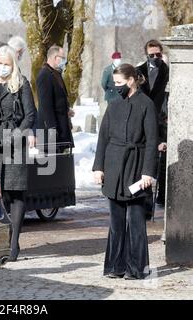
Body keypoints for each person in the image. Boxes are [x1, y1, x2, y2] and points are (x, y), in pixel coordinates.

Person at [92, 63, 159, 280]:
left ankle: (136, 268)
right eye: (114, 83)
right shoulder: (113, 105)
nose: (116, 86)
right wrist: (98, 167)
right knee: (116, 220)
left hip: (137, 166)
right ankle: (114, 267)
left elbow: (151, 141)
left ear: (131, 80)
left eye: (119, 83)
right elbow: (103, 138)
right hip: (113, 166)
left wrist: (148, 171)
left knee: (137, 219)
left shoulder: (146, 104)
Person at [0, 45, 36, 262]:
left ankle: (13, 242)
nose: (3, 67)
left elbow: (30, 115)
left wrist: (17, 136)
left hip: (15, 142)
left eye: (7, 64)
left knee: (16, 191)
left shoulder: (21, 84)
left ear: (13, 65)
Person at [137, 40, 169, 207]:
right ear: (147, 55)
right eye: (152, 55)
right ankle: (145, 200)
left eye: (158, 54)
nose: (155, 57)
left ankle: (162, 197)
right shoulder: (139, 72)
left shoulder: (169, 70)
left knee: (162, 161)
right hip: (143, 121)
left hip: (162, 119)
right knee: (145, 161)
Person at [36, 45, 74, 152]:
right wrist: (52, 129)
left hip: (60, 127)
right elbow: (45, 105)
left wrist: (66, 110)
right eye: (62, 57)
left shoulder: (55, 73)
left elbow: (58, 99)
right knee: (50, 164)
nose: (64, 61)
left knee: (61, 164)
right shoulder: (44, 75)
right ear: (54, 57)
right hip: (50, 129)